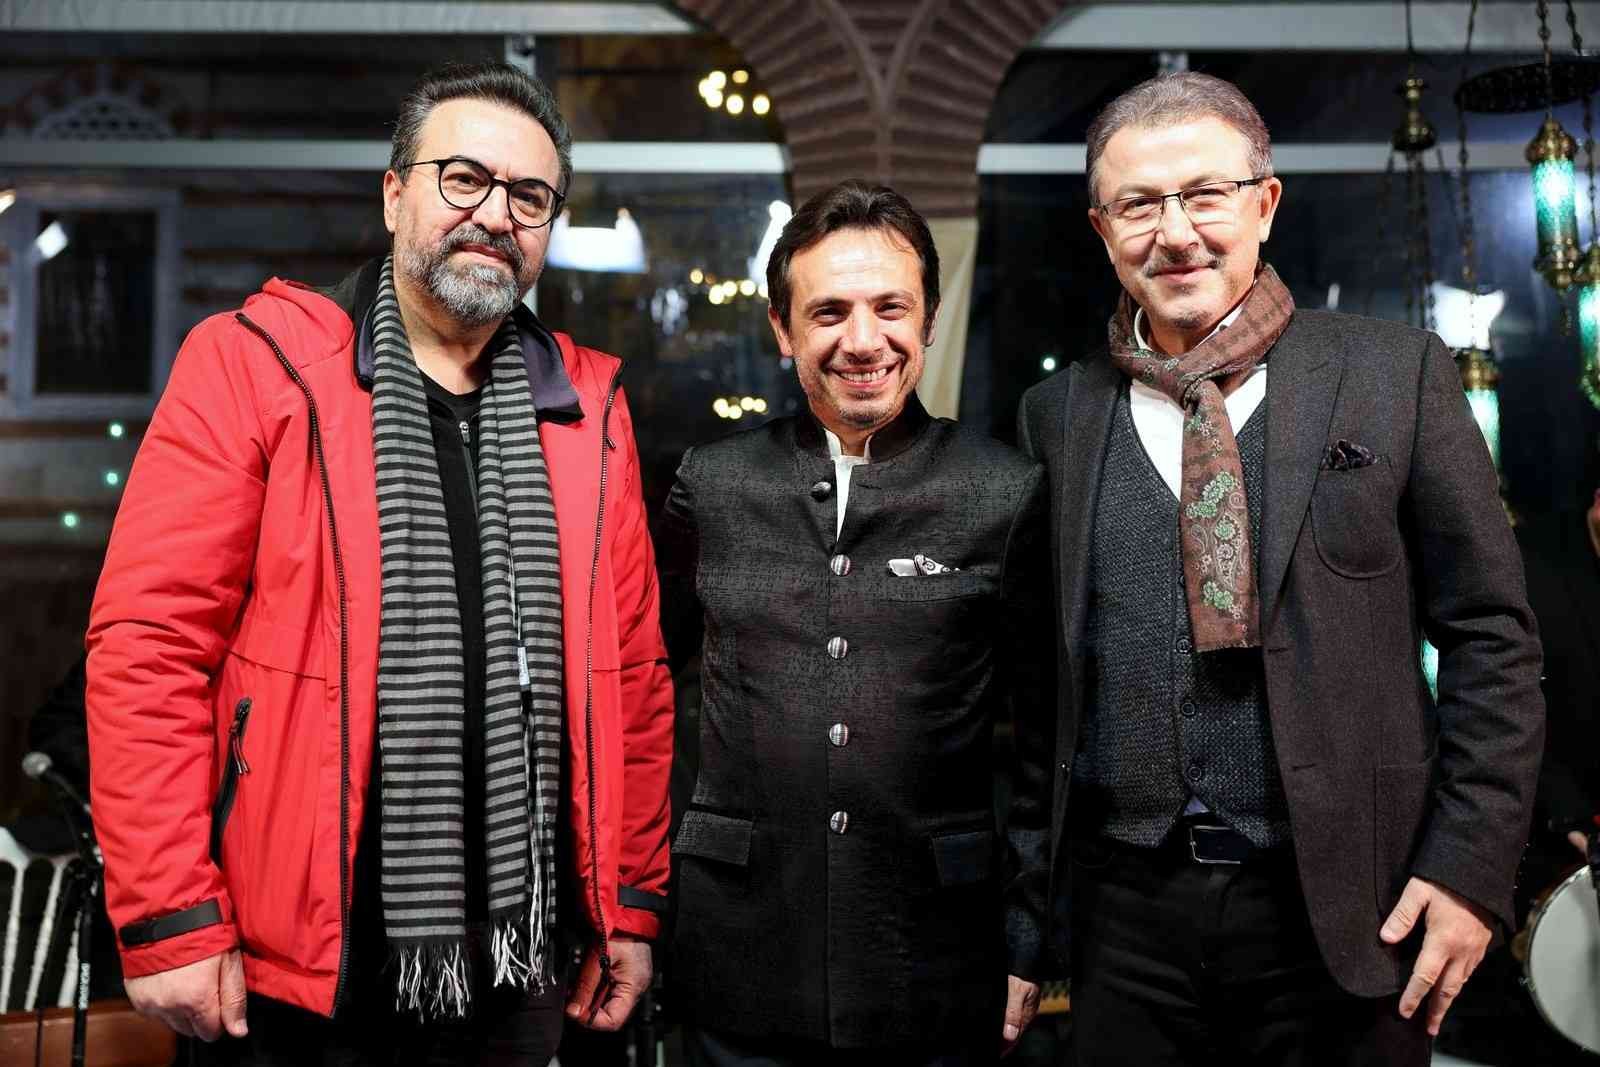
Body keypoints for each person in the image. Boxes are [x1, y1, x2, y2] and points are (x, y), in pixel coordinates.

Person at [84, 62, 673, 1066]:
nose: (495, 214)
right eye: (464, 178)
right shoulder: (256, 364)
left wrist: (629, 904)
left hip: (522, 959)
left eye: (529, 196)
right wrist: (170, 915)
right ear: (395, 193)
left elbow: (636, 681)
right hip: (298, 966)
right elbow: (150, 648)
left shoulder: (586, 407)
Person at [1016, 72, 1543, 1066]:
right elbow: (1042, 688)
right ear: (1101, 230)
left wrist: (1470, 866)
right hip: (1123, 922)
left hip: (1352, 907)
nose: (1176, 233)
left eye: (1205, 195)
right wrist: (1030, 920)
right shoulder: (1057, 416)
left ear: (1264, 203)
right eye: (1140, 205)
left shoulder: (1394, 374)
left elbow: (1492, 639)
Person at [659, 180, 1054, 1065]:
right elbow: (645, 693)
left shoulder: (1003, 491)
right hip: (739, 949)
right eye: (829, 311)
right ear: (782, 327)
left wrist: (1030, 933)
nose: (863, 340)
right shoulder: (712, 487)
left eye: (890, 307)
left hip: (937, 954)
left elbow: (1045, 746)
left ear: (930, 319)